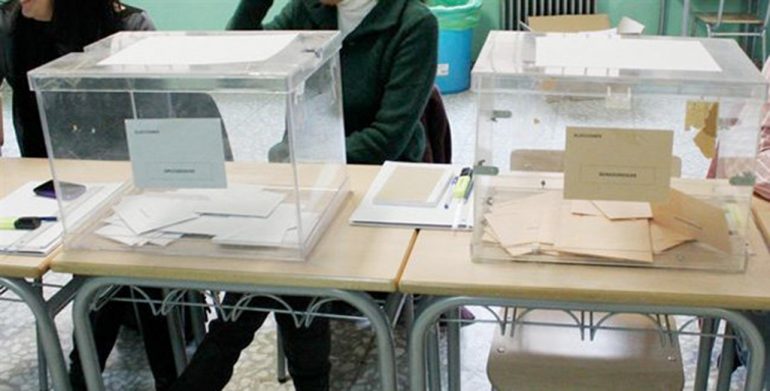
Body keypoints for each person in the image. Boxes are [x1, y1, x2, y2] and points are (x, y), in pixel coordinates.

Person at [168, 1, 438, 390]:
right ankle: (305, 382)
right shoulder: (308, 10)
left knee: (287, 255)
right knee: (285, 255)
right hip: (305, 178)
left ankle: (207, 372)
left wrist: (307, 160)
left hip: (379, 181)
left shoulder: (412, 22)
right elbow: (238, 63)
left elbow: (388, 136)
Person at [0, 1, 179, 390]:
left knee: (123, 268)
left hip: (133, 186)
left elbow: (158, 132)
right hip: (52, 186)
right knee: (115, 275)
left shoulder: (128, 27)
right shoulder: (12, 25)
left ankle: (89, 375)